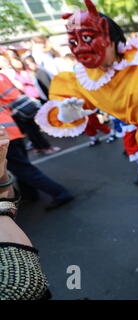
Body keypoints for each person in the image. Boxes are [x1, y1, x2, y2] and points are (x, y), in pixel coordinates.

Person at [35, 0, 138, 254]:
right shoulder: (83, 78)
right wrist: (68, 110)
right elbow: (68, 112)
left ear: (110, 37)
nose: (81, 48)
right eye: (74, 41)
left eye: (88, 37)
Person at [0, 127, 51, 300]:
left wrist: (1, 174)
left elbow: (6, 205)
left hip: (14, 137)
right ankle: (60, 193)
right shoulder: (11, 284)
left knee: (26, 172)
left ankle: (58, 193)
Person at [0, 102, 73, 210]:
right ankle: (30, 195)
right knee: (22, 169)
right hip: (13, 134)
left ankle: (60, 194)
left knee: (24, 170)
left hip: (4, 140)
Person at [0, 67, 60, 156]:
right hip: (15, 107)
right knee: (32, 129)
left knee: (31, 129)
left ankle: (39, 147)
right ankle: (45, 147)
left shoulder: (2, 75)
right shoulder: (2, 75)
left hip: (14, 107)